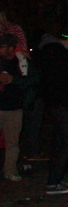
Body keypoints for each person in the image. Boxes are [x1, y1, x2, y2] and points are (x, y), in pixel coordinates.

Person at [42, 23, 68, 195]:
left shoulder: (58, 52)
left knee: (61, 140)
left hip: (61, 103)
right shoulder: (55, 51)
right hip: (59, 103)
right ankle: (53, 181)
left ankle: (56, 178)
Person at [1, 34, 32, 181]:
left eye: (3, 47)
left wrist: (15, 80)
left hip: (14, 108)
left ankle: (10, 171)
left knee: (12, 143)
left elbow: (33, 80)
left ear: (11, 48)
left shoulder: (21, 61)